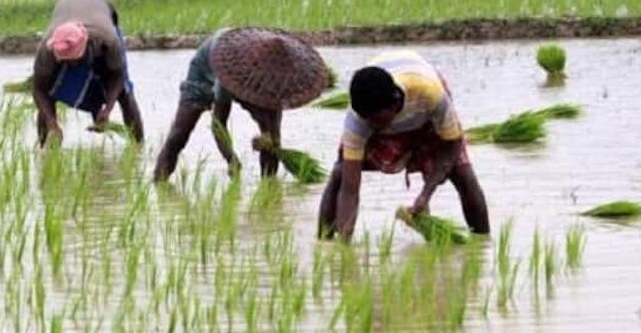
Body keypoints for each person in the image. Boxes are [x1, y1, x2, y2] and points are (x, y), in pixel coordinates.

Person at [318, 50, 490, 241]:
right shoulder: (358, 121)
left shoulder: (430, 93)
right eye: (366, 120)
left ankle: (483, 242)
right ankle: (323, 241)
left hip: (424, 108)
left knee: (463, 173)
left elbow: (452, 143)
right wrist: (344, 250)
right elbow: (350, 190)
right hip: (390, 95)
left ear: (394, 104)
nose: (371, 126)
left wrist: (426, 194)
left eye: (376, 120)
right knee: (340, 173)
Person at [154, 27, 329, 182]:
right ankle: (159, 181)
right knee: (179, 134)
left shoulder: (277, 83)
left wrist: (268, 140)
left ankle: (268, 185)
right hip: (203, 73)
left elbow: (274, 138)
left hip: (255, 79)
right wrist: (231, 158)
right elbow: (218, 124)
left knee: (271, 137)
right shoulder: (230, 70)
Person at [31, 0, 143, 147]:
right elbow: (39, 89)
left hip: (100, 12)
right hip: (66, 9)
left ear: (86, 46)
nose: (71, 66)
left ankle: (139, 148)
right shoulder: (48, 48)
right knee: (49, 96)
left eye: (74, 61)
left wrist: (107, 109)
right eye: (66, 62)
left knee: (125, 93)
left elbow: (118, 77)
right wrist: (52, 124)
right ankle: (44, 149)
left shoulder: (108, 40)